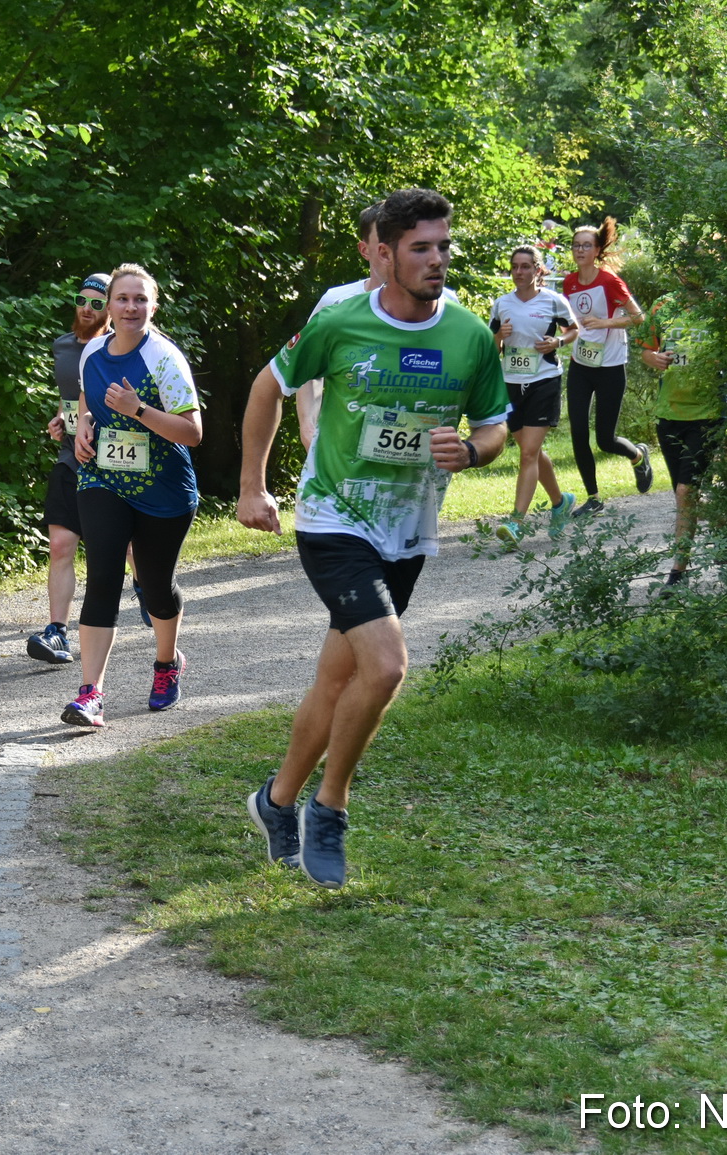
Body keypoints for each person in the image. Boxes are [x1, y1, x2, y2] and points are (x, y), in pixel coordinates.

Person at [237, 189, 509, 888]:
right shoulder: (340, 321)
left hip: (408, 532)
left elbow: (495, 424)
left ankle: (276, 800)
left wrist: (473, 453)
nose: (438, 260)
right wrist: (251, 485)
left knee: (340, 678)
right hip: (333, 519)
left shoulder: (470, 336)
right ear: (383, 252)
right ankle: (331, 807)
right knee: (385, 666)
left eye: (444, 246)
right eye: (422, 247)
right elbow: (266, 388)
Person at [62, 264, 204, 727]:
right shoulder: (93, 354)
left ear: (153, 306)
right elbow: (86, 399)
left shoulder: (164, 358)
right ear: (108, 306)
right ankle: (90, 694)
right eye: (121, 299)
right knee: (103, 574)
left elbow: (193, 432)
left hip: (163, 490)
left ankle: (166, 665)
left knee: (157, 588)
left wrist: (138, 409)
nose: (130, 307)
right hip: (103, 478)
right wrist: (83, 424)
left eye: (140, 299)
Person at [296, 202, 459, 450]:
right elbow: (303, 370)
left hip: (416, 449)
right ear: (366, 250)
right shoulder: (337, 302)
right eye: (386, 240)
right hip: (343, 447)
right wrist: (308, 429)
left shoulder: (445, 302)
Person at [27, 273, 112, 665]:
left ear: (110, 308)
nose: (87, 309)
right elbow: (70, 400)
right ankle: (57, 633)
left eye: (97, 303)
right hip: (70, 458)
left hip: (114, 460)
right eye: (83, 300)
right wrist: (60, 421)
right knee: (61, 545)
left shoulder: (120, 346)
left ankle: (156, 600)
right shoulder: (62, 346)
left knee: (127, 548)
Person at [634, 292, 725, 590]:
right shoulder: (663, 304)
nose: (690, 267)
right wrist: (655, 359)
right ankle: (723, 542)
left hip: (707, 413)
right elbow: (646, 351)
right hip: (669, 414)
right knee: (686, 494)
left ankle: (678, 571)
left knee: (687, 491)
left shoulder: (721, 305)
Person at [562, 218, 652, 516]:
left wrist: (606, 322)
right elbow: (570, 323)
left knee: (605, 439)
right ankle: (594, 497)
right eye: (576, 245)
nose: (580, 250)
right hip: (581, 363)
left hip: (611, 364)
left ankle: (638, 455)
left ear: (598, 249)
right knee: (577, 430)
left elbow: (639, 317)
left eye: (586, 245)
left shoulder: (610, 281)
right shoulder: (569, 282)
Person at [490, 244, 580, 542]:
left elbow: (573, 330)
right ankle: (560, 502)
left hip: (544, 379)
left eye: (525, 266)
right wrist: (499, 338)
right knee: (532, 451)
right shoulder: (502, 304)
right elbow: (493, 350)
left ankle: (516, 522)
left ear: (538, 270)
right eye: (515, 266)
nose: (519, 272)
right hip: (511, 383)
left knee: (528, 453)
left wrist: (558, 343)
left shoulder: (554, 301)